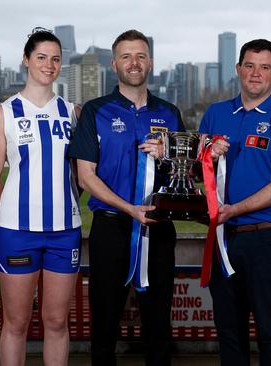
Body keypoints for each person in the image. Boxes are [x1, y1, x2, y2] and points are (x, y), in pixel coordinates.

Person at [68, 29, 185, 366]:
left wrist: (170, 155)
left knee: (159, 322)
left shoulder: (170, 112)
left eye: (141, 56)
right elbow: (85, 176)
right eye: (126, 56)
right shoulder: (96, 111)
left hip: (158, 229)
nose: (134, 63)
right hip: (112, 228)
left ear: (150, 62)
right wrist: (129, 208)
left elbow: (186, 175)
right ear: (114, 64)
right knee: (104, 323)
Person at [198, 39, 271, 366]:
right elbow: (196, 176)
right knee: (229, 333)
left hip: (266, 240)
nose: (255, 73)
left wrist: (235, 209)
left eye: (264, 67)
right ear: (238, 69)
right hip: (222, 239)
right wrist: (206, 156)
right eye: (249, 65)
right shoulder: (216, 113)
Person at [0, 28, 81, 366]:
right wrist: (14, 213)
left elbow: (80, 174)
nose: (49, 64)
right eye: (41, 57)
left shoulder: (72, 112)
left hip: (64, 232)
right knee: (16, 323)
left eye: (55, 59)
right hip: (18, 233)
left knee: (55, 322)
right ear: (26, 60)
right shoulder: (3, 114)